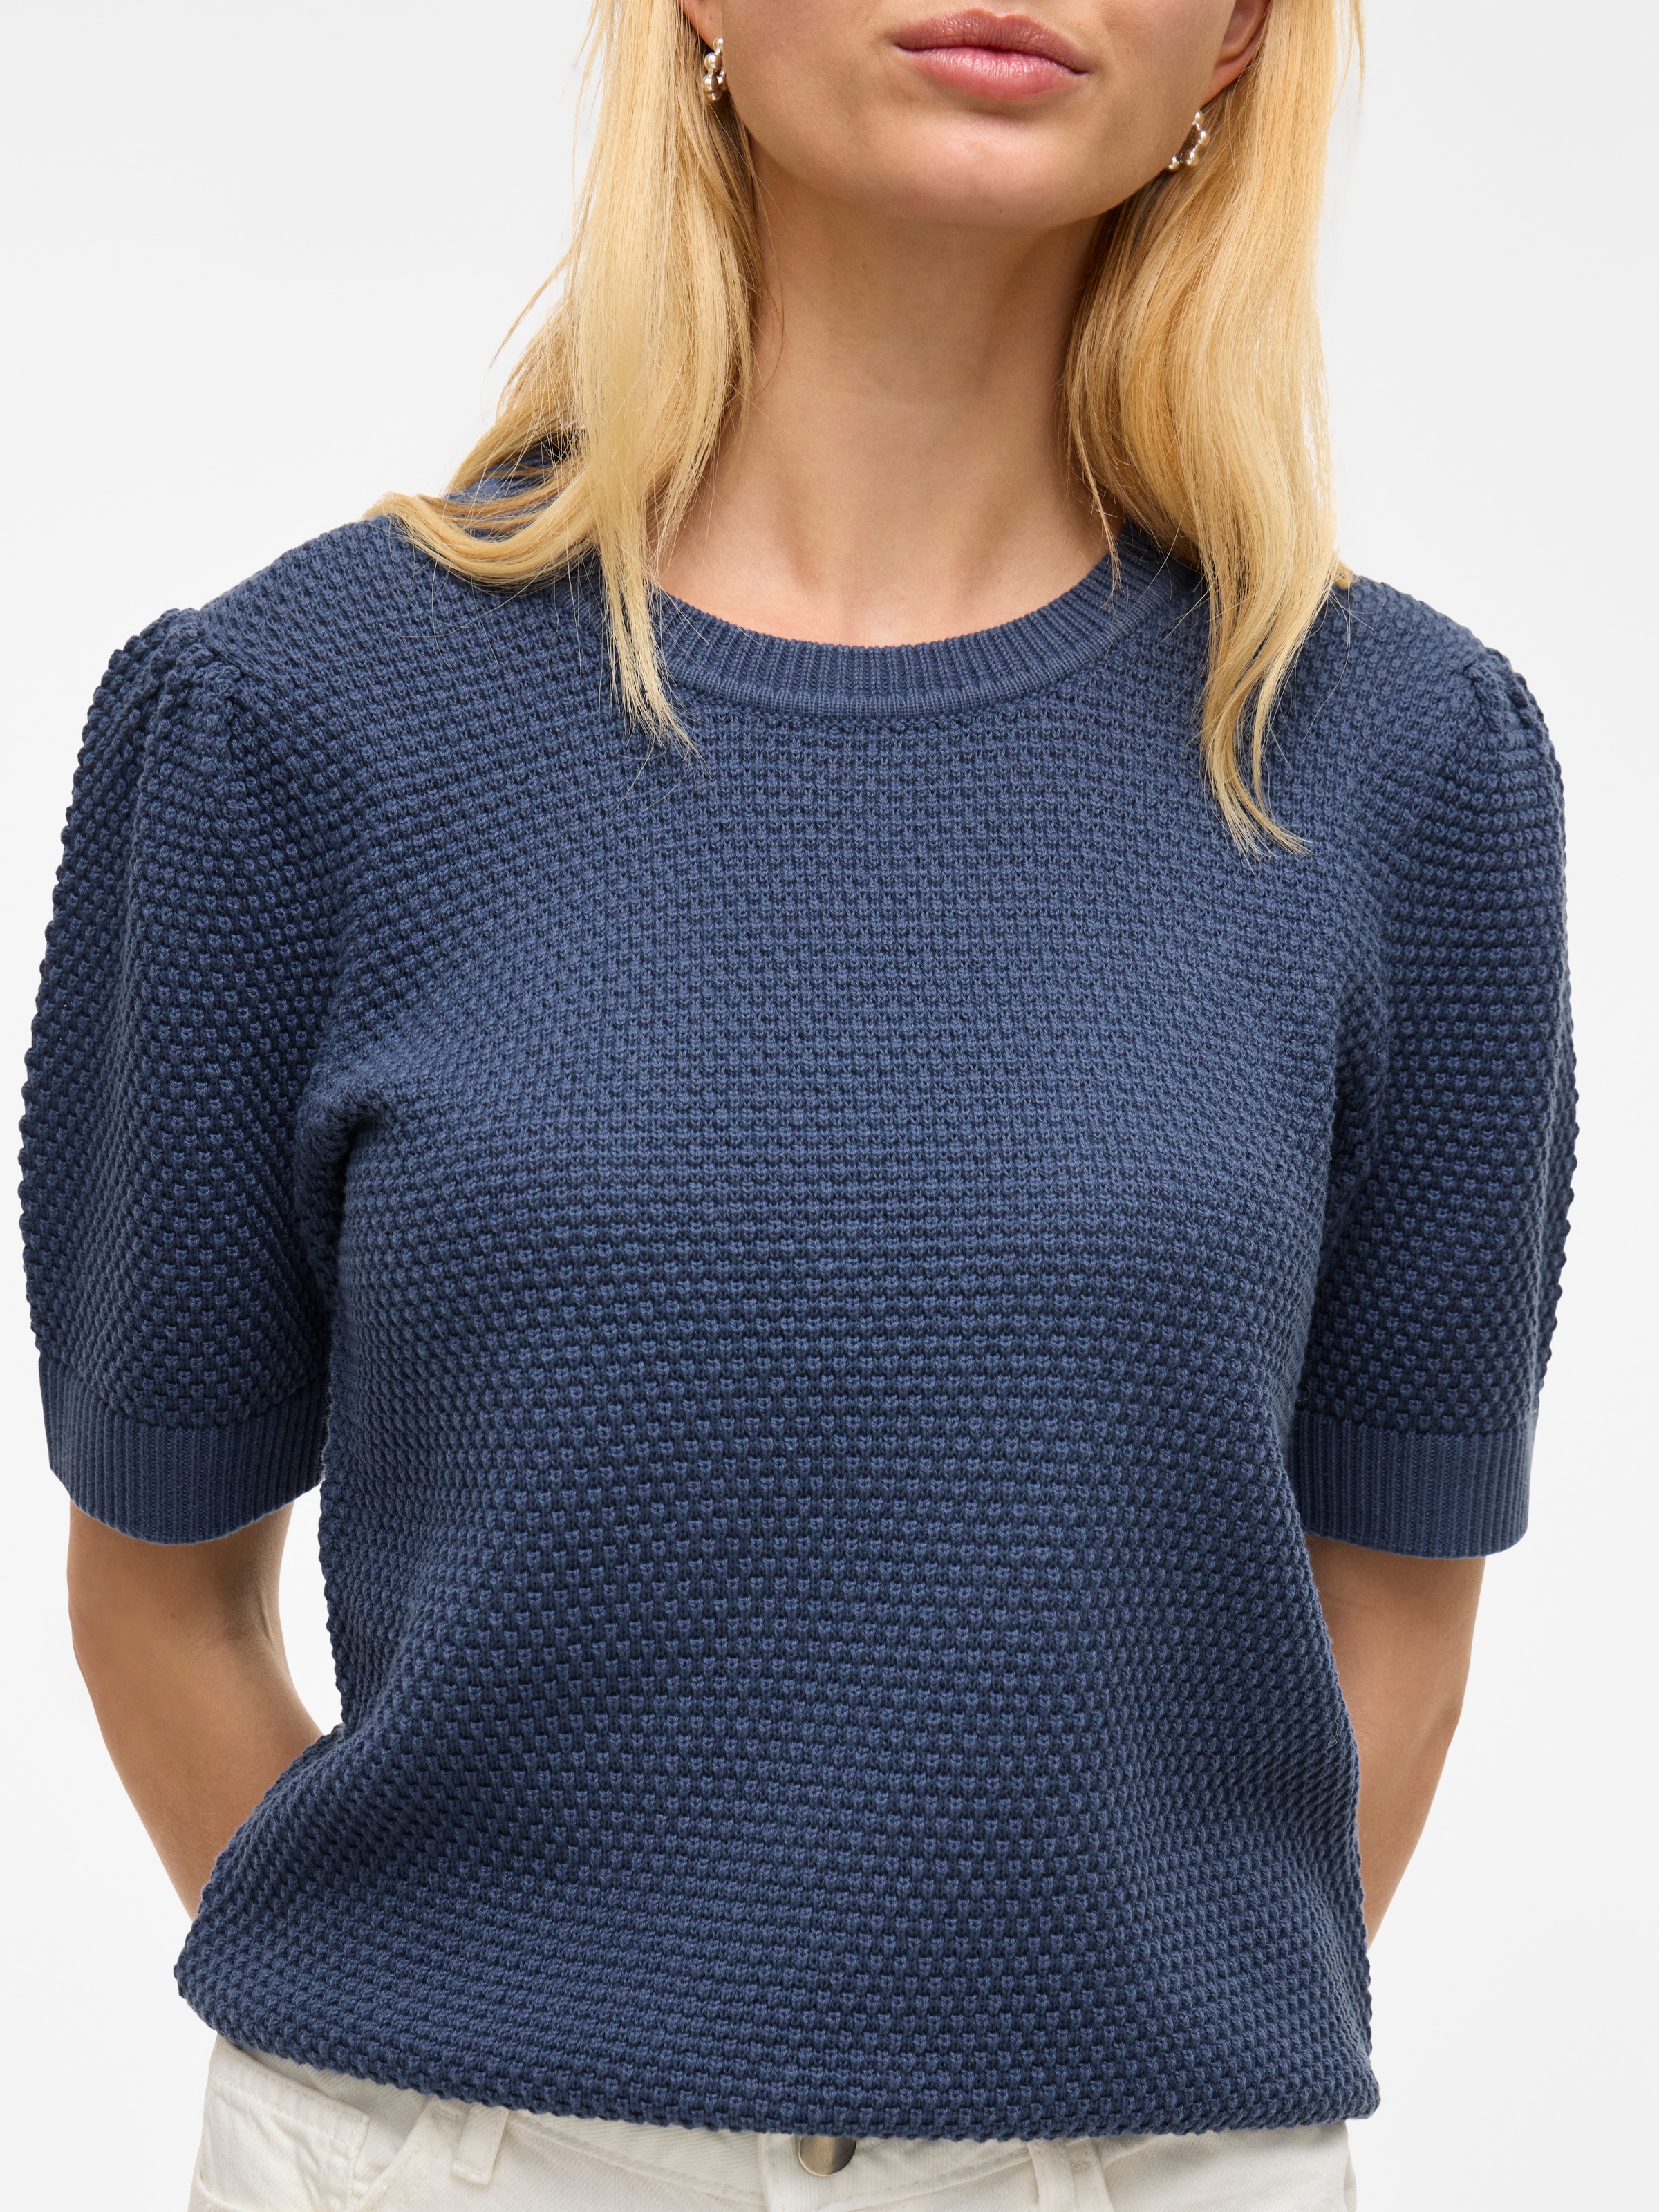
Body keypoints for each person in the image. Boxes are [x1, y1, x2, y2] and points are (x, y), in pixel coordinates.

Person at [19, 1, 1574, 2206]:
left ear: (1236, 35)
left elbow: (1398, 1610)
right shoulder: (286, 729)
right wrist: (442, 2078)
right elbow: (158, 1599)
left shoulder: (1405, 767)